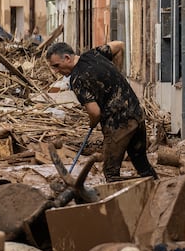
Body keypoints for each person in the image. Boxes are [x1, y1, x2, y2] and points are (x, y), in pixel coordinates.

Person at [46, 41, 157, 181]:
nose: (56, 71)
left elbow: (95, 112)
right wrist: (116, 75)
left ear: (67, 58)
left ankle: (122, 200)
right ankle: (160, 192)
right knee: (142, 164)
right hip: (136, 114)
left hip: (118, 125)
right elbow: (119, 45)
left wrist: (92, 123)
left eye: (56, 66)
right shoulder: (94, 54)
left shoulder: (77, 79)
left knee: (110, 174)